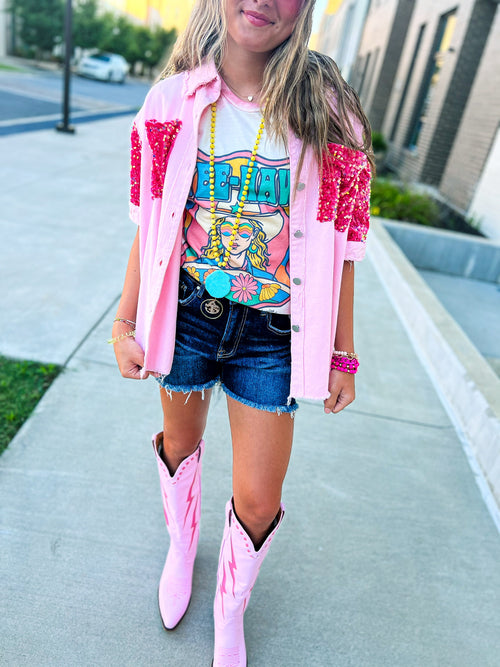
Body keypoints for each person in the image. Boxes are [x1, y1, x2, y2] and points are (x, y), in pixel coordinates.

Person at [110, 1, 373, 664]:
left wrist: (344, 350)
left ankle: (230, 607)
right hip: (190, 315)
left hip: (272, 335)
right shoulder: (172, 103)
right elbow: (151, 224)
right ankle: (182, 545)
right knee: (180, 443)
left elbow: (344, 246)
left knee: (259, 500)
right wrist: (125, 319)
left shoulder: (332, 112)